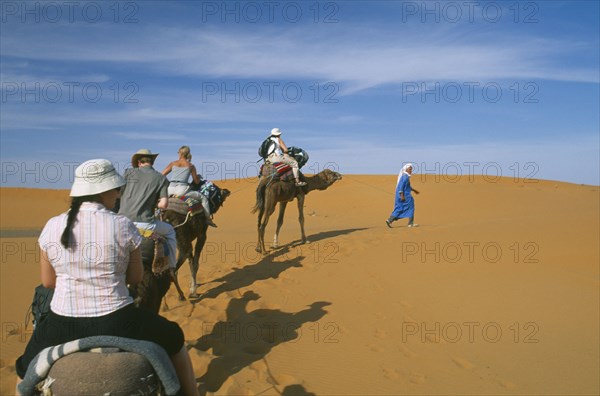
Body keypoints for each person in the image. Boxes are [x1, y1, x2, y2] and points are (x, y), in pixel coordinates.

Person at [15, 159, 199, 396]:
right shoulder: (122, 224)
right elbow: (135, 277)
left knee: (23, 370)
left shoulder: (52, 225)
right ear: (106, 191)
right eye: (117, 189)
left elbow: (48, 282)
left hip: (61, 323)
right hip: (118, 319)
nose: (118, 194)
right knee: (175, 340)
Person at [118, 149, 177, 269]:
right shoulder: (161, 178)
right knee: (170, 231)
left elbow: (118, 194)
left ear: (139, 162)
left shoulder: (128, 173)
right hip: (144, 224)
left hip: (121, 221)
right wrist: (154, 203)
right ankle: (172, 266)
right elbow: (164, 205)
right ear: (152, 162)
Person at [161, 145, 217, 228]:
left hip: (170, 189)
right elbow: (196, 181)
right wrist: (197, 176)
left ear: (180, 153)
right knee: (203, 198)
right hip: (182, 190)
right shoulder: (191, 166)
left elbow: (162, 174)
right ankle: (208, 219)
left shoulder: (173, 163)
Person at [386, 163, 420, 228]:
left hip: (402, 195)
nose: (411, 170)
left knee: (399, 208)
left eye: (411, 169)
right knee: (411, 207)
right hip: (405, 196)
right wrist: (402, 195)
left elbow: (407, 186)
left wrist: (414, 190)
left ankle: (389, 220)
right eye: (410, 169)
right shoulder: (405, 176)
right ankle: (410, 223)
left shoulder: (404, 176)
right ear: (406, 169)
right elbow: (401, 186)